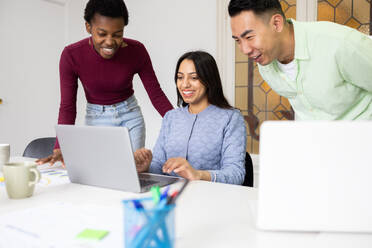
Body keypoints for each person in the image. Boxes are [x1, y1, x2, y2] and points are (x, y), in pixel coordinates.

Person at [37, 0, 173, 166]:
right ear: (88, 27)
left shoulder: (136, 51)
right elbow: (67, 106)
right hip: (96, 121)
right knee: (100, 174)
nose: (109, 42)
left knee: (129, 173)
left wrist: (178, 122)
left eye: (117, 34)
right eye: (102, 34)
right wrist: (61, 146)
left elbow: (156, 94)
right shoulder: (71, 55)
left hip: (131, 119)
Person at [228, 0, 372, 120]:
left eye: (249, 37)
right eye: (238, 41)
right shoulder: (265, 63)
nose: (244, 49)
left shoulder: (340, 43)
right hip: (318, 147)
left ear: (276, 23)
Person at [134, 51, 246, 185]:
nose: (185, 84)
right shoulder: (171, 117)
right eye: (180, 77)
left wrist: (198, 174)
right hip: (171, 197)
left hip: (210, 199)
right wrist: (145, 168)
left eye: (194, 78)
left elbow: (236, 174)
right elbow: (159, 167)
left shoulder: (231, 118)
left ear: (209, 79)